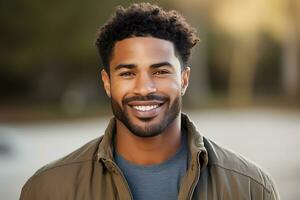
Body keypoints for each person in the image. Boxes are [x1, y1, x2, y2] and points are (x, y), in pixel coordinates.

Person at [20, 3, 279, 200]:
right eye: (128, 73)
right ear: (107, 82)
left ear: (185, 80)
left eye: (161, 71)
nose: (145, 87)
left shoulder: (251, 188)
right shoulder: (48, 188)